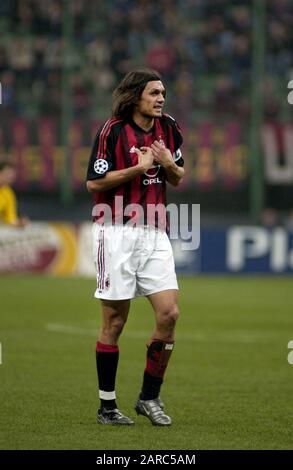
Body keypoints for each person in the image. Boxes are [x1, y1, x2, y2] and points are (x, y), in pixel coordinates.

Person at [86, 68, 184, 426]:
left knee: (169, 314)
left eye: (163, 93)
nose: (161, 99)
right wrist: (138, 167)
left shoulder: (169, 127)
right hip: (115, 230)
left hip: (156, 232)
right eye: (154, 93)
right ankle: (107, 407)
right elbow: (94, 183)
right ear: (135, 96)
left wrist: (168, 163)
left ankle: (149, 397)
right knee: (115, 321)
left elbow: (177, 176)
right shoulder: (112, 130)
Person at [0, 160, 28, 227]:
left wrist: (19, 223)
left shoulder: (8, 193)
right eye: (7, 174)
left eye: (11, 175)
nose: (10, 177)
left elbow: (10, 219)